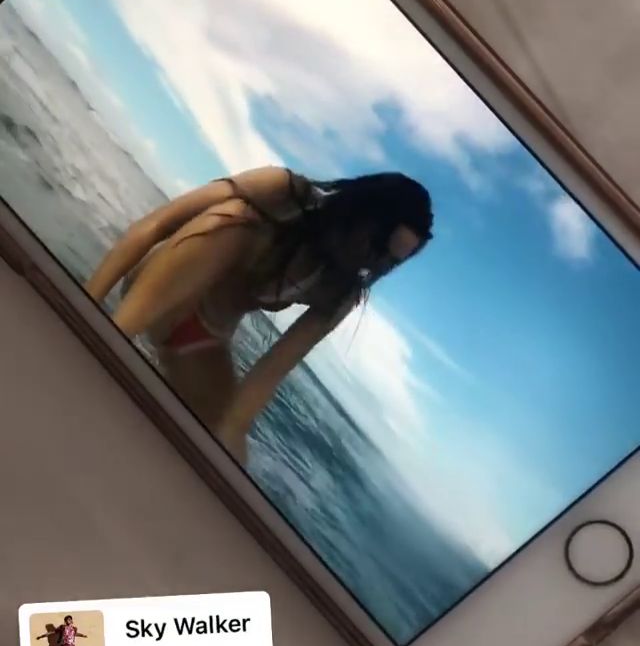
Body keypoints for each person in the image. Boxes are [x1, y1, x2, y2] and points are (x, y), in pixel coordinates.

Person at [86, 167, 434, 464]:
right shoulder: (284, 192)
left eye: (390, 262)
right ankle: (108, 337)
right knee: (235, 219)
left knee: (219, 439)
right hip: (159, 290)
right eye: (378, 246)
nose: (374, 264)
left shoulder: (340, 291)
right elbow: (154, 226)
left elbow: (263, 383)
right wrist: (88, 304)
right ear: (363, 214)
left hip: (199, 335)